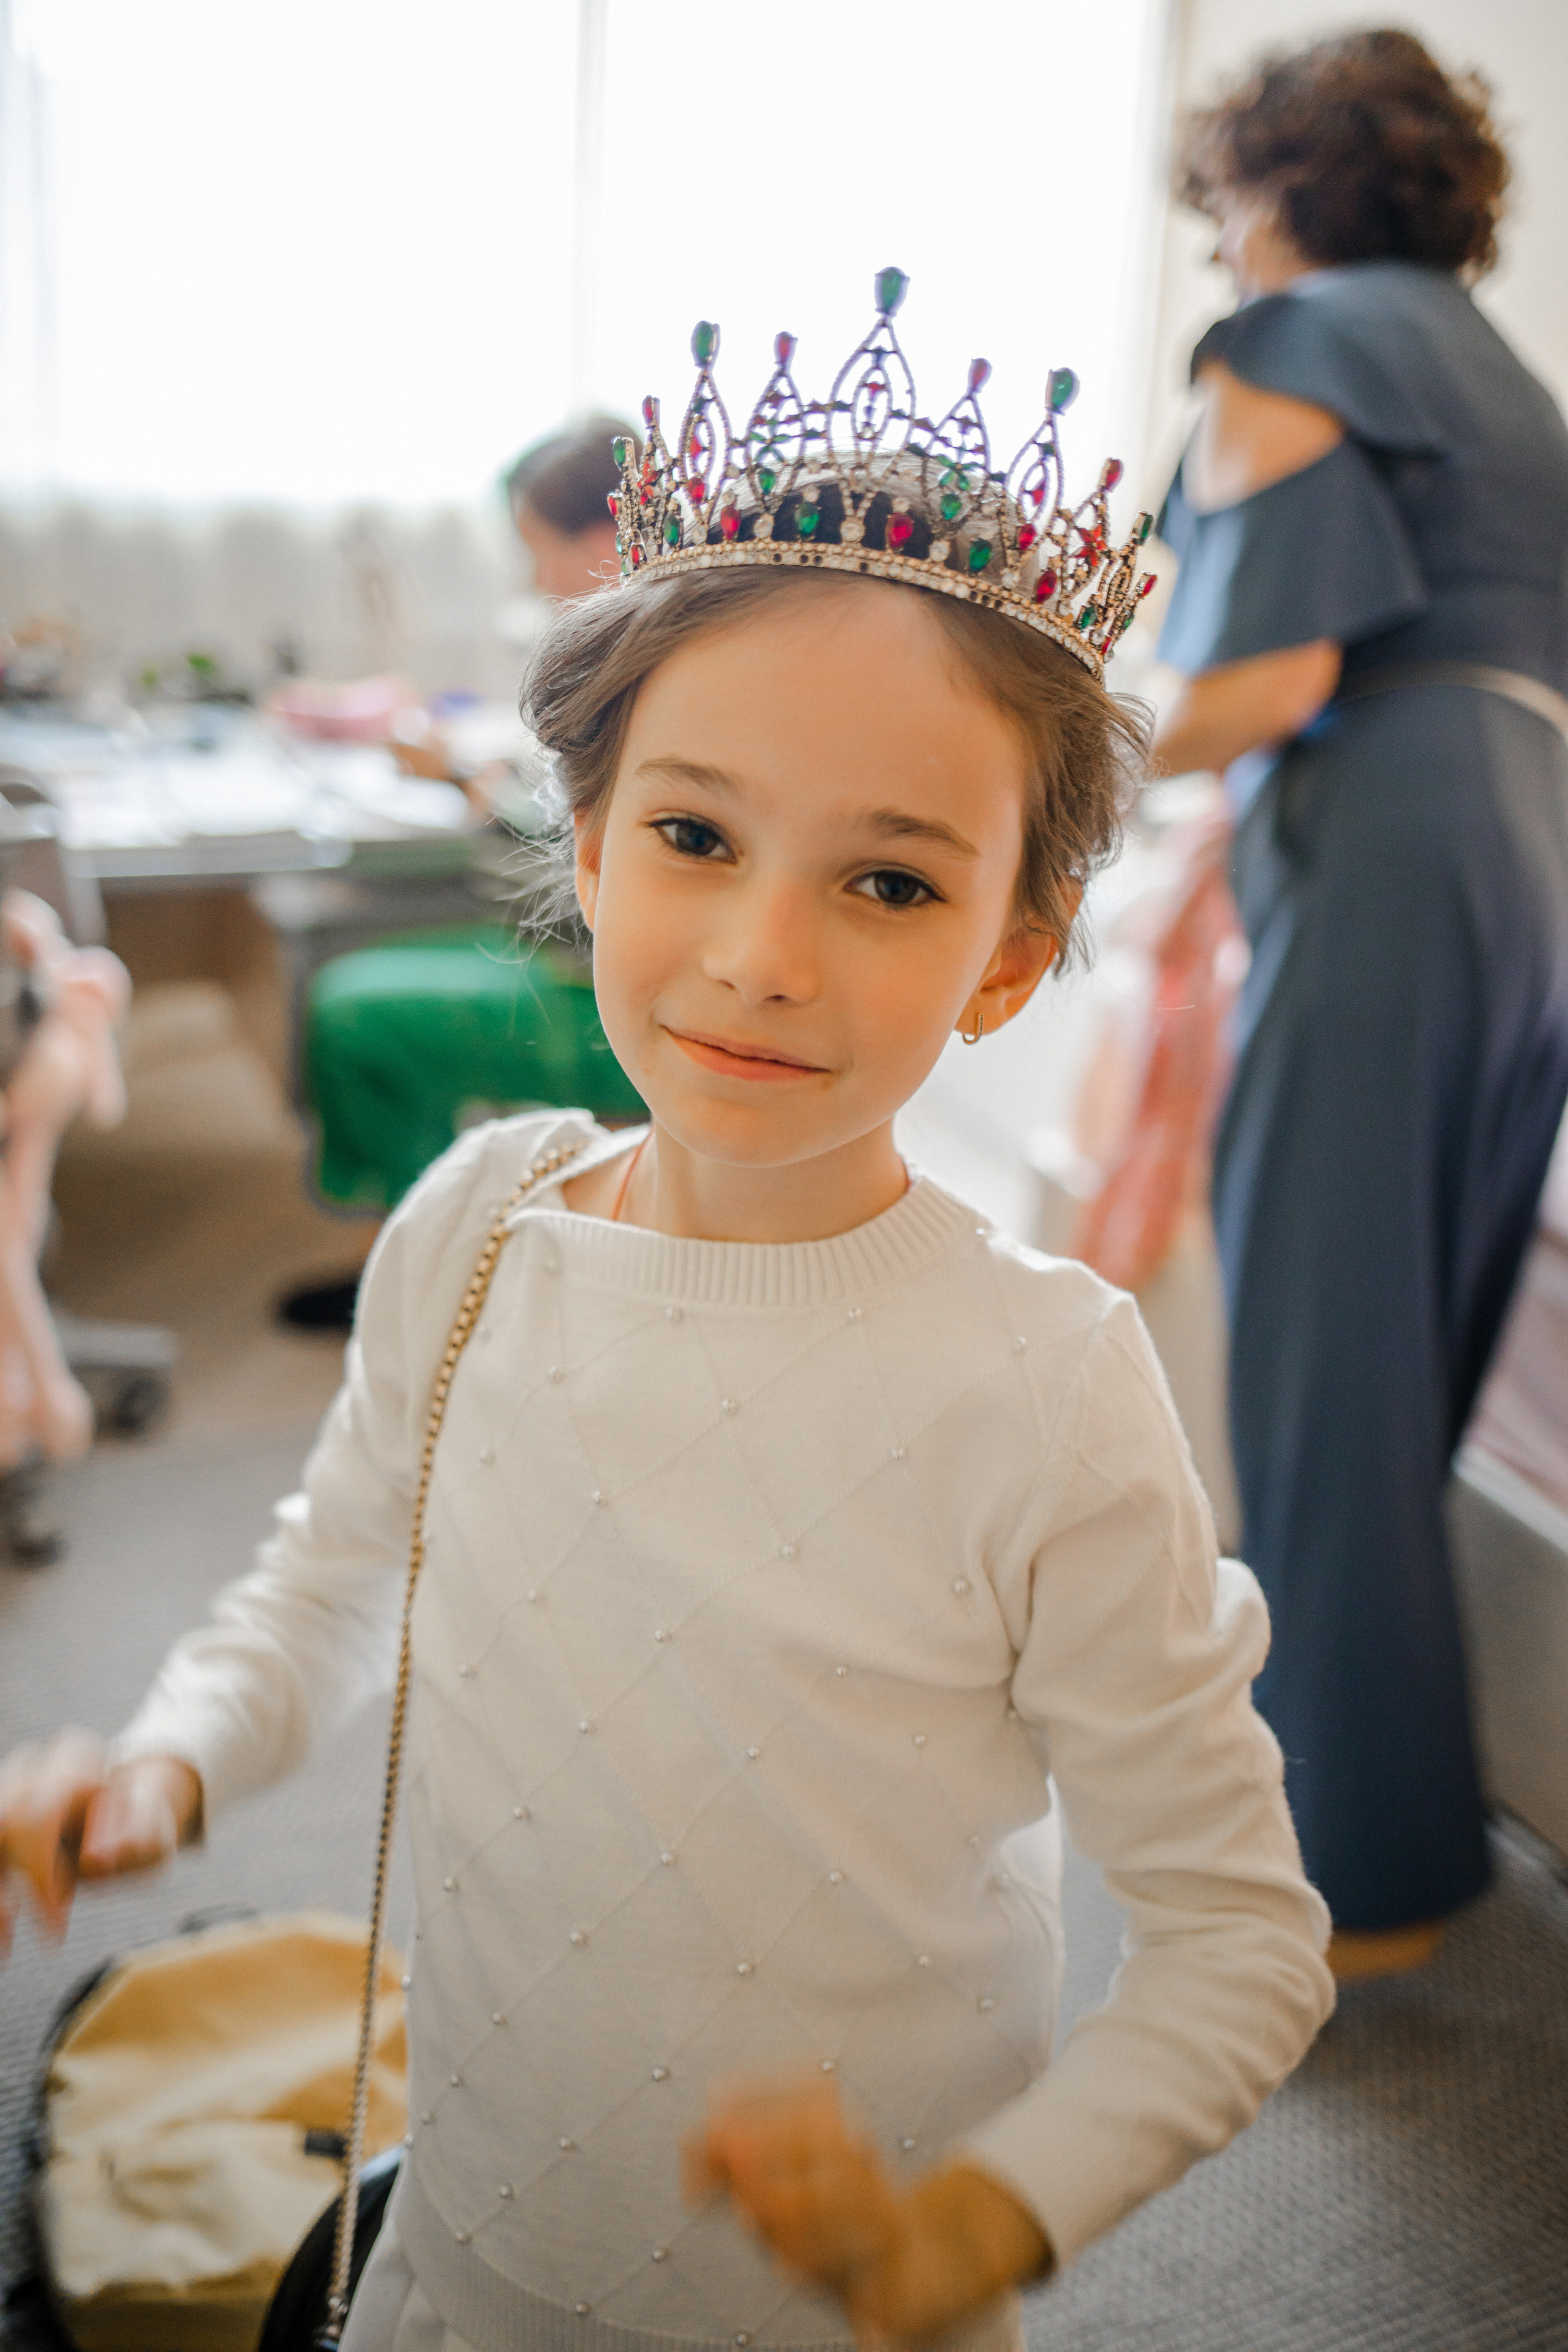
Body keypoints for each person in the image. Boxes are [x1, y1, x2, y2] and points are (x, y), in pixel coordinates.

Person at [0, 279, 1332, 2351]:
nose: (761, 954)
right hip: (461, 2268)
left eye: (890, 882)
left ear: (1008, 957)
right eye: (696, 837)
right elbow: (332, 1580)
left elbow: (1239, 1938)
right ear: (596, 847)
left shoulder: (1047, 1380)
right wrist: (169, 1761)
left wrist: (986, 2217)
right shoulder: (476, 1227)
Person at [1152, 29, 1568, 1979]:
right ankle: (1378, 1827)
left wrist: (1033, 760)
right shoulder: (1506, 380)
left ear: (1272, 192)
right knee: (1402, 1357)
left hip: (1395, 841)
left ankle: (1355, 1872)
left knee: (1324, 1361)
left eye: (1229, 211)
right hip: (1533, 852)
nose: (1225, 250)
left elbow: (1263, 680)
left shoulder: (1295, 341)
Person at [281, 417, 645, 1331]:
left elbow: (587, 854)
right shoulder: (635, 641)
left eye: (539, 548)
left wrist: (468, 779)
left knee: (348, 1011)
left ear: (603, 536)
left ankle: (427, 1271)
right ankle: (421, 1246)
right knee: (351, 969)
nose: (536, 578)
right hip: (573, 950)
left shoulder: (639, 658)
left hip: (596, 983)